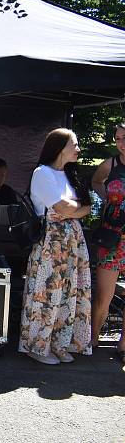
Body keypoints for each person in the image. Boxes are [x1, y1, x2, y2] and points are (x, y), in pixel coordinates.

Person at [19, 128, 92, 364]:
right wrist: (76, 209)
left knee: (70, 291)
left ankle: (60, 342)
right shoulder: (42, 173)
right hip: (51, 243)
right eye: (75, 144)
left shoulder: (69, 173)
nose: (78, 149)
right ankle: (37, 345)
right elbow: (64, 209)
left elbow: (85, 206)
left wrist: (74, 209)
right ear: (60, 147)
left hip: (72, 243)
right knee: (47, 292)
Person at [90, 125, 125, 364]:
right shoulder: (110, 165)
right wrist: (105, 202)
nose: (121, 142)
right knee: (105, 295)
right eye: (118, 139)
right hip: (112, 237)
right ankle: (92, 338)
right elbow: (95, 181)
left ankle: (123, 344)